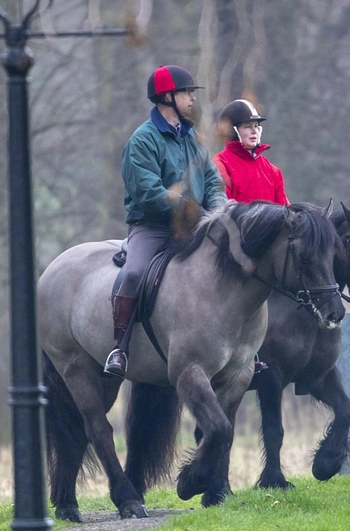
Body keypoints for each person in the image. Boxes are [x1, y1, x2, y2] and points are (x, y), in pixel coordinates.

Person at [104, 65, 228, 378]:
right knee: (133, 273)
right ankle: (120, 347)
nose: (191, 99)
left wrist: (216, 210)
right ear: (167, 97)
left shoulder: (193, 139)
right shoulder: (142, 141)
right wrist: (187, 209)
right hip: (153, 227)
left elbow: (212, 179)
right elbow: (147, 192)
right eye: (187, 93)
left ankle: (242, 349)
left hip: (198, 225)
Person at [213, 99, 289, 205]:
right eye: (248, 126)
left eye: (256, 126)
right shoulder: (220, 164)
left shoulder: (273, 171)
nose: (254, 131)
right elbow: (221, 211)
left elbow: (285, 214)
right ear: (233, 131)